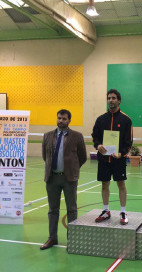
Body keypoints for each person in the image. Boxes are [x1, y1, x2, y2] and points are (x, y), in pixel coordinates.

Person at [40, 109, 87, 250]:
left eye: (64, 118)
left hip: (69, 179)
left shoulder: (77, 136)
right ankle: (52, 238)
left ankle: (72, 240)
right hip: (52, 178)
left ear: (69, 120)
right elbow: (45, 156)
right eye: (59, 118)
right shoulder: (47, 136)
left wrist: (72, 169)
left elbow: (82, 157)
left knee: (72, 209)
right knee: (52, 210)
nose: (61, 120)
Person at [92, 89, 132, 225]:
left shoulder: (126, 120)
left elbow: (129, 141)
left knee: (121, 184)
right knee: (105, 184)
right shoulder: (101, 119)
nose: (111, 100)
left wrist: (122, 153)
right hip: (104, 159)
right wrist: (98, 146)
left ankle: (123, 211)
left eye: (114, 98)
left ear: (119, 100)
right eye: (109, 98)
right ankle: (106, 210)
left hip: (118, 159)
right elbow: (95, 136)